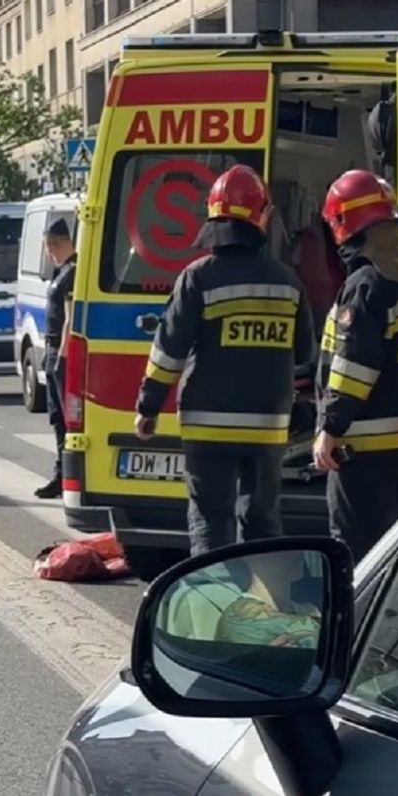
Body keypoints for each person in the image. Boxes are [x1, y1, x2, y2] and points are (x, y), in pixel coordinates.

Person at [134, 164, 315, 556]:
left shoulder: (197, 278)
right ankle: (262, 606)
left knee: (211, 521)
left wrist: (148, 408)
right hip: (267, 425)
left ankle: (212, 605)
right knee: (262, 521)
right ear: (260, 218)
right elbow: (306, 355)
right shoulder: (287, 281)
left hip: (207, 426)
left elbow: (169, 352)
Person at [313, 169, 398, 563]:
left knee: (352, 547)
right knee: (385, 545)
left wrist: (331, 427)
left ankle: (353, 621)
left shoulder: (364, 284)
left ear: (342, 223)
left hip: (360, 444)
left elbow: (354, 364)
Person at [34, 218, 77, 499]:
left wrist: (61, 355)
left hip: (61, 352)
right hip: (51, 350)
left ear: (56, 243)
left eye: (49, 246)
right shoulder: (60, 271)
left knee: (65, 418)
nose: (48, 252)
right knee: (56, 418)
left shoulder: (73, 272)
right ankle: (60, 475)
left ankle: (66, 476)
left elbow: (70, 319)